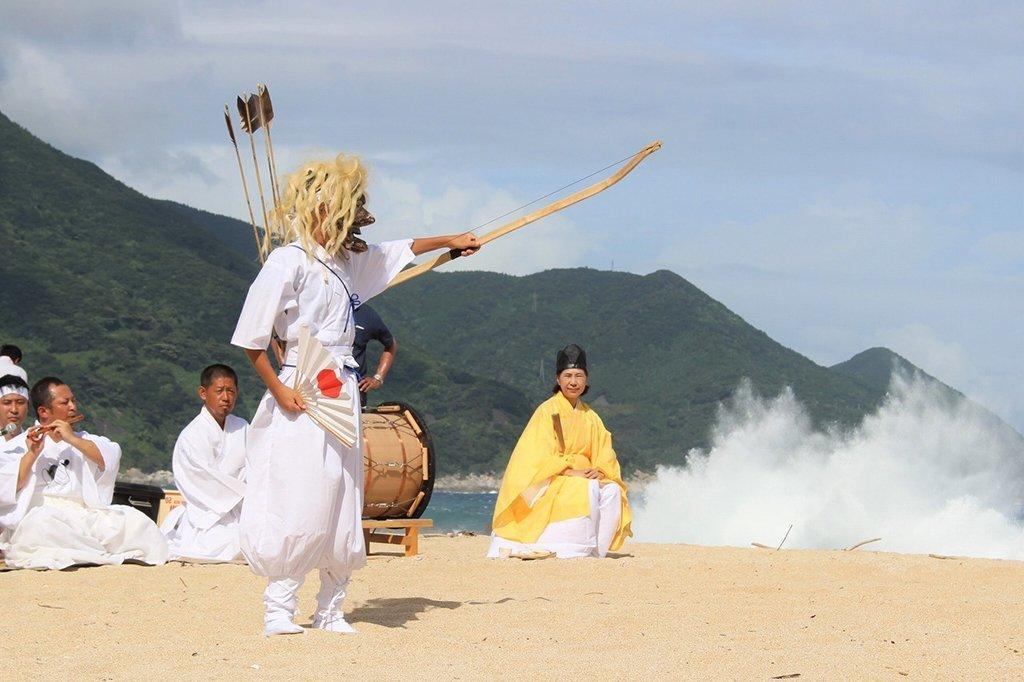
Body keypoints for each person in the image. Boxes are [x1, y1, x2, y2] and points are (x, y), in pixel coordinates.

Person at [231, 153, 479, 635]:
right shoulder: (288, 261)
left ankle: (330, 607)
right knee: (303, 487)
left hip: (341, 388)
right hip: (303, 385)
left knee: (343, 490)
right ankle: (279, 608)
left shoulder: (347, 263)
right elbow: (251, 339)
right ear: (320, 208)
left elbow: (397, 250)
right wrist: (280, 390)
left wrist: (449, 241)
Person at [0, 377, 168, 569]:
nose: (72, 407)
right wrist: (32, 453)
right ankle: (95, 553)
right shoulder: (17, 445)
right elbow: (9, 487)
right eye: (65, 403)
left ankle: (90, 551)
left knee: (133, 521)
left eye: (73, 401)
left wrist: (72, 439)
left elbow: (110, 456)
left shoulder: (84, 439)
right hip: (42, 513)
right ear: (44, 411)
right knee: (42, 526)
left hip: (83, 513)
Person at [488, 344, 632, 559]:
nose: (573, 382)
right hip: (553, 477)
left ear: (586, 379)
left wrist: (600, 472)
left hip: (584, 475)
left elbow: (604, 453)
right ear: (558, 379)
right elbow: (535, 455)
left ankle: (597, 552)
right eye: (568, 376)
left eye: (578, 376)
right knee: (588, 488)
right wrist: (569, 472)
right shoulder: (547, 411)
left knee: (611, 491)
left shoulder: (591, 417)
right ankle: (576, 549)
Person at [160, 364, 247, 562]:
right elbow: (202, 482)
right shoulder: (192, 435)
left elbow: (257, 467)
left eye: (231, 391)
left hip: (243, 510)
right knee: (226, 543)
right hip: (208, 515)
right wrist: (246, 490)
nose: (226, 397)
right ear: (203, 393)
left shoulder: (242, 427)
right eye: (219, 391)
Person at [352, 303, 397, 408]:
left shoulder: (365, 313)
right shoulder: (317, 307)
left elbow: (391, 344)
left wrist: (378, 378)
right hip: (317, 388)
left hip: (355, 392)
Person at [0, 375, 30, 441]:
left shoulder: (35, 443)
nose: (14, 410)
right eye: (7, 403)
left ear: (28, 406)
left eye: (20, 402)